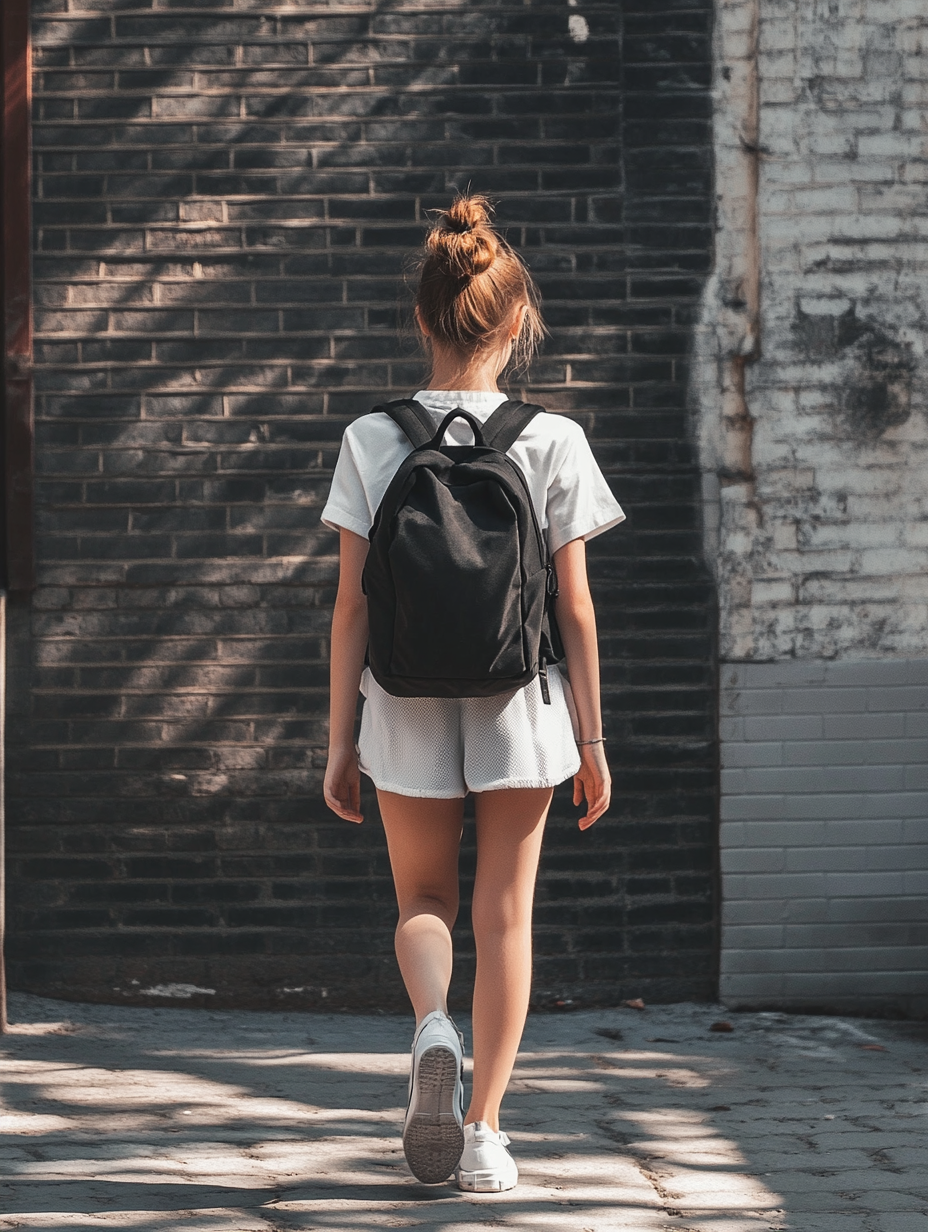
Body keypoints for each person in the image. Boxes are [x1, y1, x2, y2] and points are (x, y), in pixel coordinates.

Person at [321, 194, 624, 1192]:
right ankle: (486, 1128)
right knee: (504, 914)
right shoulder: (554, 438)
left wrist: (338, 740)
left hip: (400, 698)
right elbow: (573, 609)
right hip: (521, 701)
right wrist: (592, 737)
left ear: (422, 318)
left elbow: (350, 608)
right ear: (513, 319)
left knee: (422, 898)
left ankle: (429, 1025)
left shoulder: (372, 437)